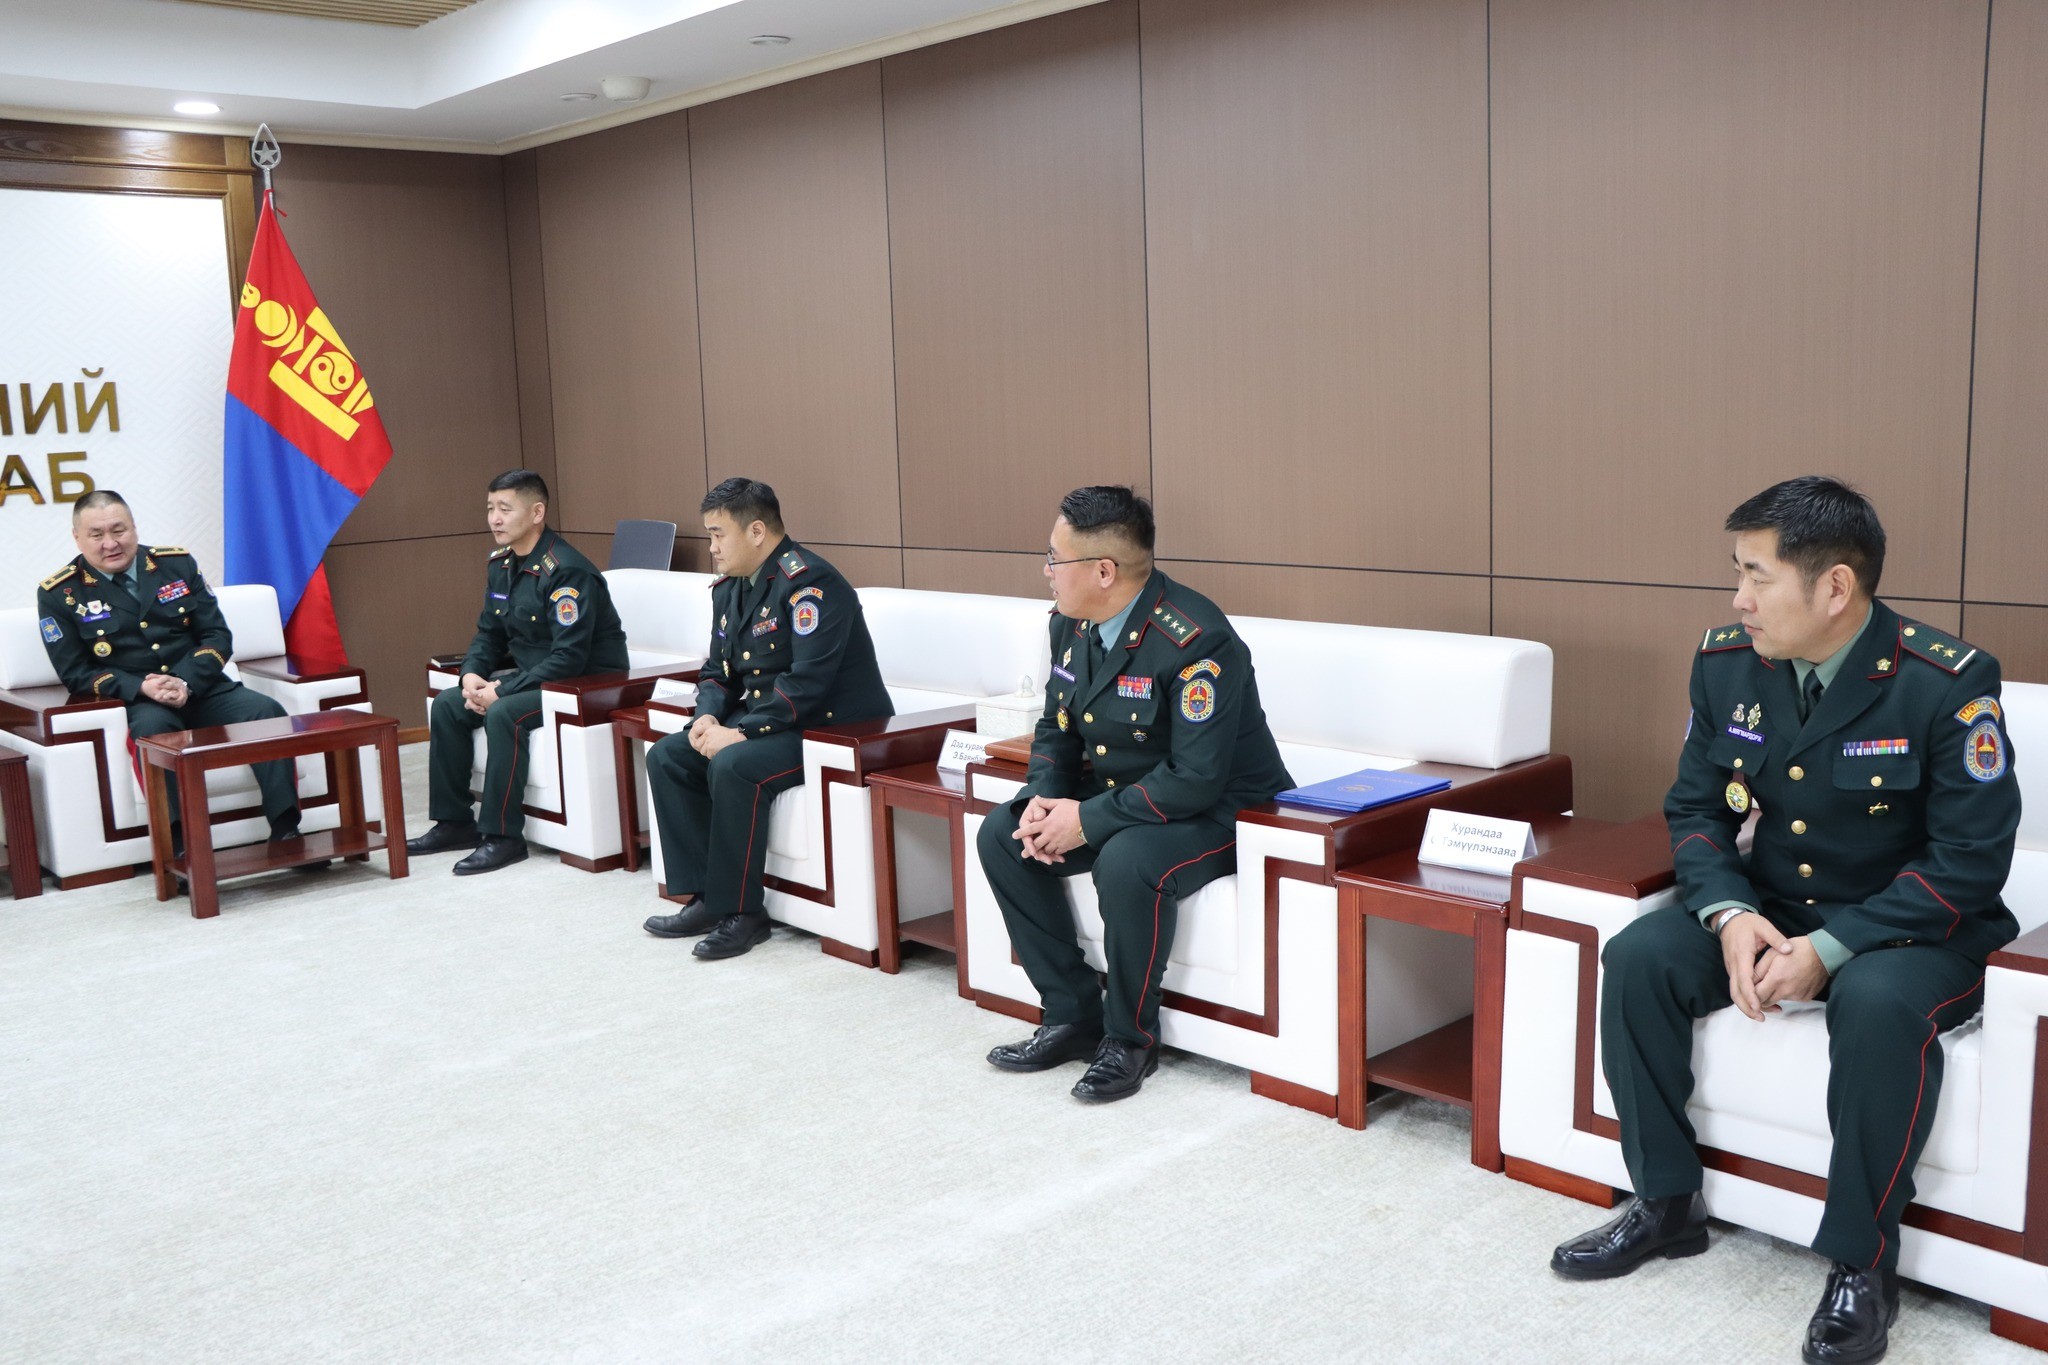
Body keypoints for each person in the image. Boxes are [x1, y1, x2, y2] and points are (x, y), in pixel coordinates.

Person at [1550, 477, 2020, 1365]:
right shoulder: (1728, 663)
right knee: (1642, 954)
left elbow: (1968, 862)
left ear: (1834, 586)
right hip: (1773, 904)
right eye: (1738, 573)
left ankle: (1861, 1263)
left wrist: (1830, 949)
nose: (1739, 599)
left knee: (1875, 1003)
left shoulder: (1947, 682)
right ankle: (1665, 1200)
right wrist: (1730, 914)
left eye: (1757, 576)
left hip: (1914, 928)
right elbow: (1696, 810)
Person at [974, 486, 1292, 1103]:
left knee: (1126, 862)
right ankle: (1071, 1014)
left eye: (1054, 558)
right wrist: (1043, 799)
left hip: (1224, 809)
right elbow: (1056, 728)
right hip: (1127, 795)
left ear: (1103, 571)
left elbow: (1194, 778)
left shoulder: (1197, 640)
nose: (1046, 572)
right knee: (1003, 834)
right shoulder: (1071, 624)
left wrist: (1086, 821)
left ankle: (1130, 1041)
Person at [640, 478, 893, 960]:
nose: (712, 547)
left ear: (756, 531)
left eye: (718, 534)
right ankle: (705, 898)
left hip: (831, 729)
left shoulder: (812, 585)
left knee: (733, 765)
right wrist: (705, 719)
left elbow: (807, 684)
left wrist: (739, 733)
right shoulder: (729, 589)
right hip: (772, 720)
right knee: (669, 755)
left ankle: (744, 914)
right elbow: (718, 672)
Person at [37, 489, 301, 850]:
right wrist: (142, 688)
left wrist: (185, 681)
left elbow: (216, 635)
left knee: (265, 711)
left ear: (134, 527)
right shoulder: (60, 593)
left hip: (202, 687)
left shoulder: (175, 564)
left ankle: (286, 829)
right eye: (96, 535)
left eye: (119, 530)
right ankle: (179, 845)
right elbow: (75, 672)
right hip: (141, 700)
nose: (111, 543)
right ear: (77, 537)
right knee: (154, 734)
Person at [407, 470, 629, 875]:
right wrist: (471, 675)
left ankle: (504, 837)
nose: (494, 518)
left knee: (504, 713)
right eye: (490, 508)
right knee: (448, 705)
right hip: (538, 677)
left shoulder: (567, 570)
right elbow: (489, 633)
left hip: (584, 683)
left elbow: (570, 658)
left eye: (505, 509)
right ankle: (454, 822)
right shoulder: (501, 564)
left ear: (537, 512)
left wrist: (502, 691)